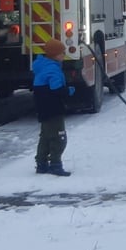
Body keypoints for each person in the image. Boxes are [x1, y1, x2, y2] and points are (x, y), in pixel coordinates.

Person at [32, 38, 75, 176]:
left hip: (43, 108)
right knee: (58, 137)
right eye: (62, 53)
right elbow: (56, 89)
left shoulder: (42, 66)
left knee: (45, 136)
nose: (64, 55)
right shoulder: (53, 69)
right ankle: (55, 164)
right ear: (55, 55)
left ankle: (41, 164)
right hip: (53, 109)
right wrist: (68, 91)